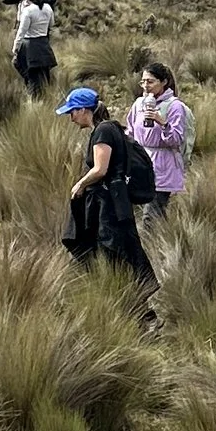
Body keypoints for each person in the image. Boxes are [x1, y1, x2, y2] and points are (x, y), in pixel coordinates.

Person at [59, 84, 156, 293]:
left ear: (84, 110)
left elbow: (100, 169)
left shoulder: (103, 131)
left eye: (72, 112)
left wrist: (80, 184)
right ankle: (135, 306)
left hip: (109, 205)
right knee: (117, 253)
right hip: (112, 202)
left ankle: (140, 309)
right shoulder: (109, 128)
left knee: (115, 252)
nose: (71, 118)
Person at [126, 60, 192, 201]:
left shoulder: (175, 107)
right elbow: (130, 132)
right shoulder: (138, 104)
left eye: (150, 82)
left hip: (163, 168)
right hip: (140, 164)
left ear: (164, 82)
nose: (145, 86)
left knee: (152, 214)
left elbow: (176, 139)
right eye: (142, 82)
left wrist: (162, 122)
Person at [8, 0, 59, 96]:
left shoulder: (27, 11)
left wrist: (15, 48)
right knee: (44, 75)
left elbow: (21, 31)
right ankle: (46, 97)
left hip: (29, 46)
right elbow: (51, 24)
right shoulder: (47, 8)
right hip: (44, 45)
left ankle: (34, 101)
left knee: (31, 76)